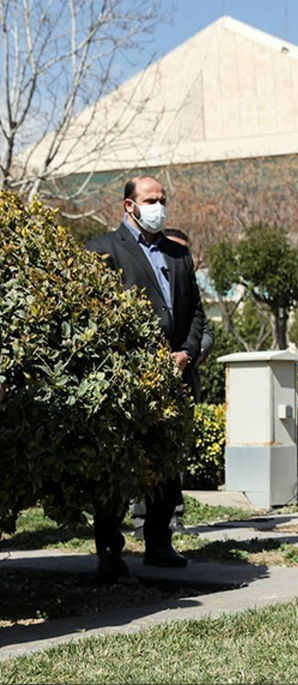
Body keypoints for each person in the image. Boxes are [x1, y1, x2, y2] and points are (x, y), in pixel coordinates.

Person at [86, 176, 208, 579]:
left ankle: (159, 543)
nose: (159, 207)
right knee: (117, 464)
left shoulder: (178, 254)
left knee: (166, 465)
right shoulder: (103, 250)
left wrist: (186, 352)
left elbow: (195, 312)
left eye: (163, 199)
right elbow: (96, 318)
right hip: (128, 382)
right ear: (129, 206)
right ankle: (109, 550)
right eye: (151, 200)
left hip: (175, 378)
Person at [129, 228, 214, 541]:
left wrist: (191, 353)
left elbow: (205, 329)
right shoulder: (148, 287)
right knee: (145, 453)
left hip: (183, 381)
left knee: (175, 455)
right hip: (150, 382)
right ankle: (142, 520)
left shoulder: (188, 293)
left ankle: (173, 518)